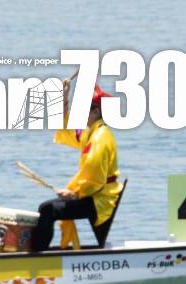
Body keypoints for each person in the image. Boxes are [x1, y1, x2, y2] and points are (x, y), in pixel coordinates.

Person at [29, 82, 120, 253]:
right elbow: (68, 129)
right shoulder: (91, 131)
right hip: (94, 193)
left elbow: (94, 178)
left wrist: (74, 193)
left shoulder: (100, 137)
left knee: (48, 210)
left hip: (98, 199)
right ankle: (38, 253)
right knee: (46, 208)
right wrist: (64, 98)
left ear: (96, 112)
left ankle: (37, 258)